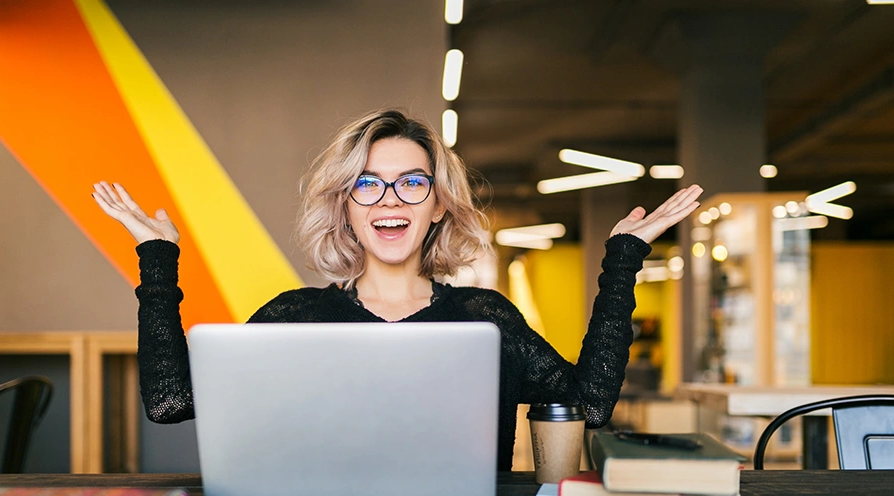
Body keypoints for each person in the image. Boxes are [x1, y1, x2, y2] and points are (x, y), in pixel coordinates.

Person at [93, 108, 702, 471]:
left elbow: (589, 404)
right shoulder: (296, 317)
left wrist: (623, 261)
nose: (389, 199)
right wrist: (157, 261)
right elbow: (171, 403)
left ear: (438, 205)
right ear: (346, 208)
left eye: (412, 182)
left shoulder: (483, 318)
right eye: (368, 184)